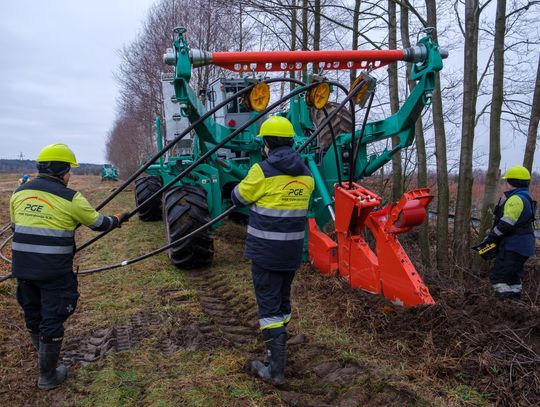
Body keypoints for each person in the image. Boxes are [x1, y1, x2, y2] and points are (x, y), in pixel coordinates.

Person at [9, 143, 130, 390]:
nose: (70, 175)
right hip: (53, 272)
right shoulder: (71, 197)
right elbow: (100, 224)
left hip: (21, 269)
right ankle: (48, 376)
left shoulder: (19, 193)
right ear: (60, 170)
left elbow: (17, 226)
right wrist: (119, 218)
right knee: (52, 318)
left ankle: (45, 361)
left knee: (33, 314)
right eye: (68, 170)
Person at [230, 116, 314, 385]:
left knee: (268, 308)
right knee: (281, 302)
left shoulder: (261, 170)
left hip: (265, 253)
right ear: (291, 141)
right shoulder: (307, 175)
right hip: (291, 254)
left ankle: (274, 370)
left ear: (267, 143)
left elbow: (238, 198)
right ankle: (276, 349)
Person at [481, 165, 536, 299]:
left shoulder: (515, 200)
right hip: (522, 246)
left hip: (514, 246)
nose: (505, 184)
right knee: (512, 280)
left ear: (511, 183)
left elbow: (506, 224)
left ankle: (504, 305)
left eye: (506, 181)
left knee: (499, 277)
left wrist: (491, 238)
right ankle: (514, 306)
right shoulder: (525, 197)